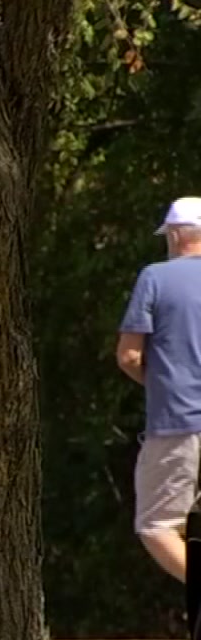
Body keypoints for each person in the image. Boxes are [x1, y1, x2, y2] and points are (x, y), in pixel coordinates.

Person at [118, 197, 201, 583]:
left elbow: (130, 356)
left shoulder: (155, 277)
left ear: (175, 234)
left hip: (177, 423)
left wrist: (161, 386)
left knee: (157, 525)